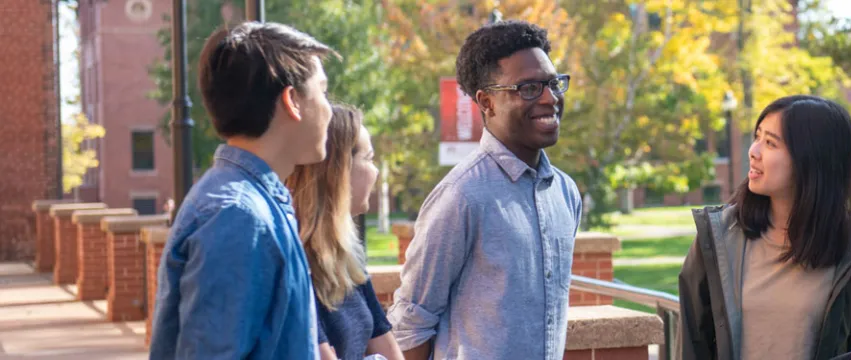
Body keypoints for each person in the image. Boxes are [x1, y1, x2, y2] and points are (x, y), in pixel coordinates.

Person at [387, 20, 582, 360]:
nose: (550, 98)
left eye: (553, 84)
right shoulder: (462, 196)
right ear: (487, 103)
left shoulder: (564, 192)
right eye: (529, 88)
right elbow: (411, 322)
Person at [150, 22, 335, 359]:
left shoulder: (252, 203)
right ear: (292, 100)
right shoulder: (237, 216)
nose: (329, 108)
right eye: (322, 91)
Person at [679, 96, 851, 360]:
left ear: (811, 159)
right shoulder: (718, 237)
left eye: (770, 143)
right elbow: (693, 343)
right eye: (758, 137)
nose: (753, 151)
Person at [284, 104, 404, 360]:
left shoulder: (346, 254)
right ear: (338, 172)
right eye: (369, 159)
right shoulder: (293, 261)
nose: (376, 171)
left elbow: (389, 349)